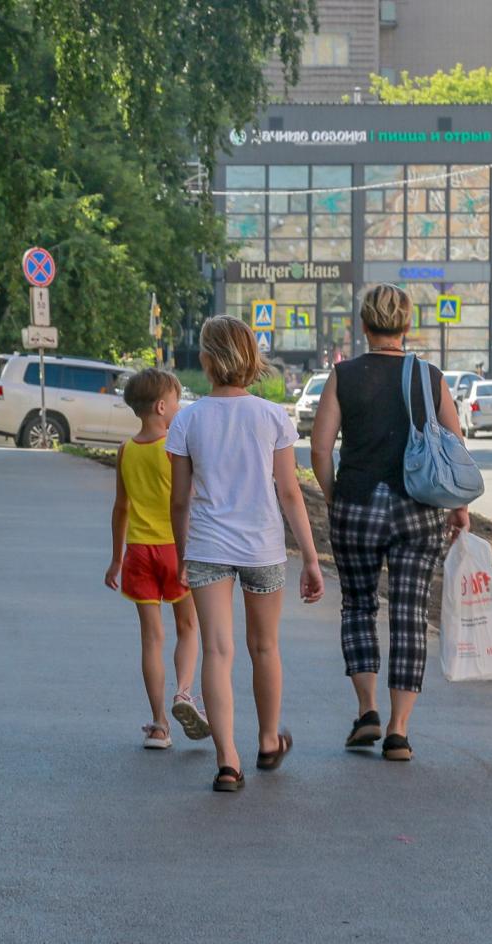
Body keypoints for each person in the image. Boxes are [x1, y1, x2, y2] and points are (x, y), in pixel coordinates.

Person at [310, 284, 469, 763]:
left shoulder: (344, 376)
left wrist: (336, 494)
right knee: (409, 617)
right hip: (418, 508)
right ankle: (399, 732)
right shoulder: (430, 377)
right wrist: (459, 507)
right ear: (407, 326)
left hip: (357, 505)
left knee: (358, 607)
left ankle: (367, 712)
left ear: (363, 326)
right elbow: (454, 446)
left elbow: (320, 448)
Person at [167, 316, 325, 793]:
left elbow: (179, 499)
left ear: (207, 361)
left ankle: (227, 760)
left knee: (217, 650)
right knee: (265, 647)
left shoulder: (187, 418)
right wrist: (312, 558)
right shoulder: (273, 416)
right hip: (263, 547)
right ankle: (267, 741)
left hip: (208, 547)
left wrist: (181, 554)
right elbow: (291, 494)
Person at [104, 368, 209, 750]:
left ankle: (160, 725)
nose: (180, 408)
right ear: (163, 406)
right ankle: (184, 693)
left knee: (151, 638)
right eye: (177, 401)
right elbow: (189, 501)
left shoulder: (126, 450)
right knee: (188, 628)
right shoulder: (175, 449)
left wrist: (116, 559)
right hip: (176, 548)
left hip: (138, 552)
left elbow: (120, 508)